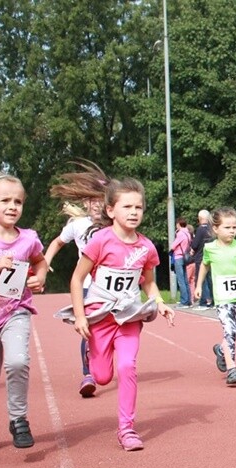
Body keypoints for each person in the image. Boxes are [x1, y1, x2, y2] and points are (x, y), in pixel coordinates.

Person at [62, 178, 175, 451]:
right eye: (127, 207)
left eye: (138, 207)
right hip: (100, 316)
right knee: (101, 377)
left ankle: (126, 429)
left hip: (129, 318)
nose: (134, 212)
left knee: (127, 367)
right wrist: (80, 315)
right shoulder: (100, 241)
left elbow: (148, 282)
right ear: (111, 210)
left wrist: (159, 302)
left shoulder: (146, 247)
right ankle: (92, 357)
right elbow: (77, 279)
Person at [0, 173, 47, 449]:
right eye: (5, 200)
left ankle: (18, 419)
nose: (13, 206)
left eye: (18, 202)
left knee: (17, 362)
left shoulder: (28, 239)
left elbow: (40, 261)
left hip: (16, 309)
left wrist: (40, 277)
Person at [46, 162, 109, 398]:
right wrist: (45, 261)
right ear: (85, 202)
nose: (97, 204)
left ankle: (105, 360)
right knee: (88, 329)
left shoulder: (114, 225)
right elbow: (57, 242)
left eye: (101, 199)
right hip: (86, 286)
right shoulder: (77, 225)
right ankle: (87, 373)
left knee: (111, 330)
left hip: (110, 289)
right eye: (92, 200)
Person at [195, 207, 236, 385]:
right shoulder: (210, 248)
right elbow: (204, 265)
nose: (232, 231)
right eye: (227, 227)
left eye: (234, 227)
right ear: (216, 229)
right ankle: (232, 369)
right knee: (228, 331)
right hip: (222, 299)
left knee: (235, 332)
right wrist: (198, 285)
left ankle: (221, 350)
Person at [191, 209, 214, 310]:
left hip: (201, 257)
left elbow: (195, 244)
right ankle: (213, 301)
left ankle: (203, 302)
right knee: (210, 280)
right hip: (212, 257)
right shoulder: (212, 229)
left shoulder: (200, 229)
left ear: (200, 218)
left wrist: (192, 248)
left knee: (201, 280)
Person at [170, 217, 192, 307]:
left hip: (178, 257)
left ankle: (184, 301)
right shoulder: (188, 233)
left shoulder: (180, 234)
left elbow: (173, 246)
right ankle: (188, 300)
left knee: (180, 280)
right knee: (186, 279)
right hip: (185, 257)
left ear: (178, 224)